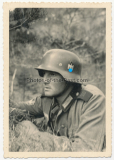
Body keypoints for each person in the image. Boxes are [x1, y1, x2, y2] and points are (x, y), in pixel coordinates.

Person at [9, 49, 105, 151]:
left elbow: (84, 150)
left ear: (68, 77)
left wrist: (36, 136)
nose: (45, 80)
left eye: (52, 74)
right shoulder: (47, 100)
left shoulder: (92, 100)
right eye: (44, 73)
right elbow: (15, 107)